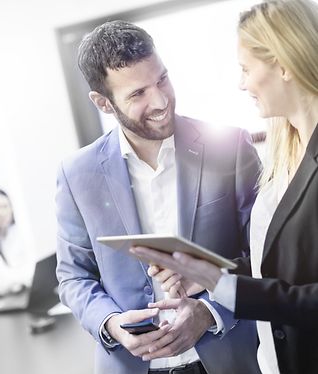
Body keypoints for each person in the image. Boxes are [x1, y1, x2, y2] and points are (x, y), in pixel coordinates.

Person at [56, 20, 261, 374]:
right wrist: (111, 325)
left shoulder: (231, 147)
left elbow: (263, 256)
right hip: (131, 365)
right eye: (137, 94)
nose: (161, 100)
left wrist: (211, 310)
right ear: (103, 103)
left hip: (229, 357)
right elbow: (74, 277)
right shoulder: (77, 173)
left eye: (162, 79)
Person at [131, 1, 318, 373]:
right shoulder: (285, 147)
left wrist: (221, 283)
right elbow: (280, 266)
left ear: (283, 64)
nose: (241, 83)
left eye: (246, 69)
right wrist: (202, 272)